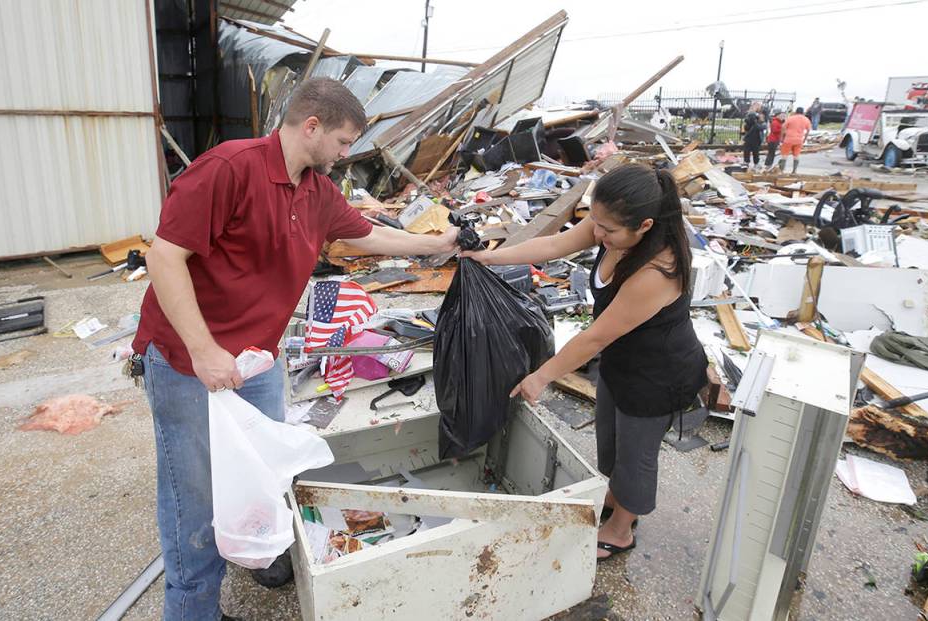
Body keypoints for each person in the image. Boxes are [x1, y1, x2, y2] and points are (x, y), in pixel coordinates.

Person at [132, 78, 458, 621]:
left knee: (262, 468)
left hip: (257, 360)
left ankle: (254, 545)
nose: (346, 154)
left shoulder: (318, 190)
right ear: (312, 127)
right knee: (192, 496)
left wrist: (436, 245)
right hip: (189, 361)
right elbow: (164, 258)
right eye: (344, 142)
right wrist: (204, 349)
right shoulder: (228, 169)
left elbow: (366, 236)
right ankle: (193, 610)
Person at [463, 163, 708, 561]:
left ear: (644, 226)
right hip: (622, 363)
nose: (597, 234)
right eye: (594, 222)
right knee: (610, 440)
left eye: (607, 231)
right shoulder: (608, 223)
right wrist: (491, 258)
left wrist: (541, 376)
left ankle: (622, 528)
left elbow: (595, 336)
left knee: (636, 454)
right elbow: (553, 247)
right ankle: (617, 495)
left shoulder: (658, 271)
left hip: (658, 376)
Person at [780, 106, 812, 173]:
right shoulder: (806, 119)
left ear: (795, 112)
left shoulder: (790, 118)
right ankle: (794, 171)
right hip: (799, 140)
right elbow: (808, 130)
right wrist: (804, 139)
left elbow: (783, 127)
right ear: (803, 113)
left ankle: (781, 171)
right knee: (796, 156)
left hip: (788, 139)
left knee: (784, 156)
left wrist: (782, 137)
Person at [742, 106, 766, 171]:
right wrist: (751, 121)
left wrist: (756, 122)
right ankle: (746, 162)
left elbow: (761, 128)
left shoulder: (762, 123)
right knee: (746, 152)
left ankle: (756, 163)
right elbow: (746, 128)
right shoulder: (749, 123)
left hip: (757, 140)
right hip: (748, 140)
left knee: (756, 153)